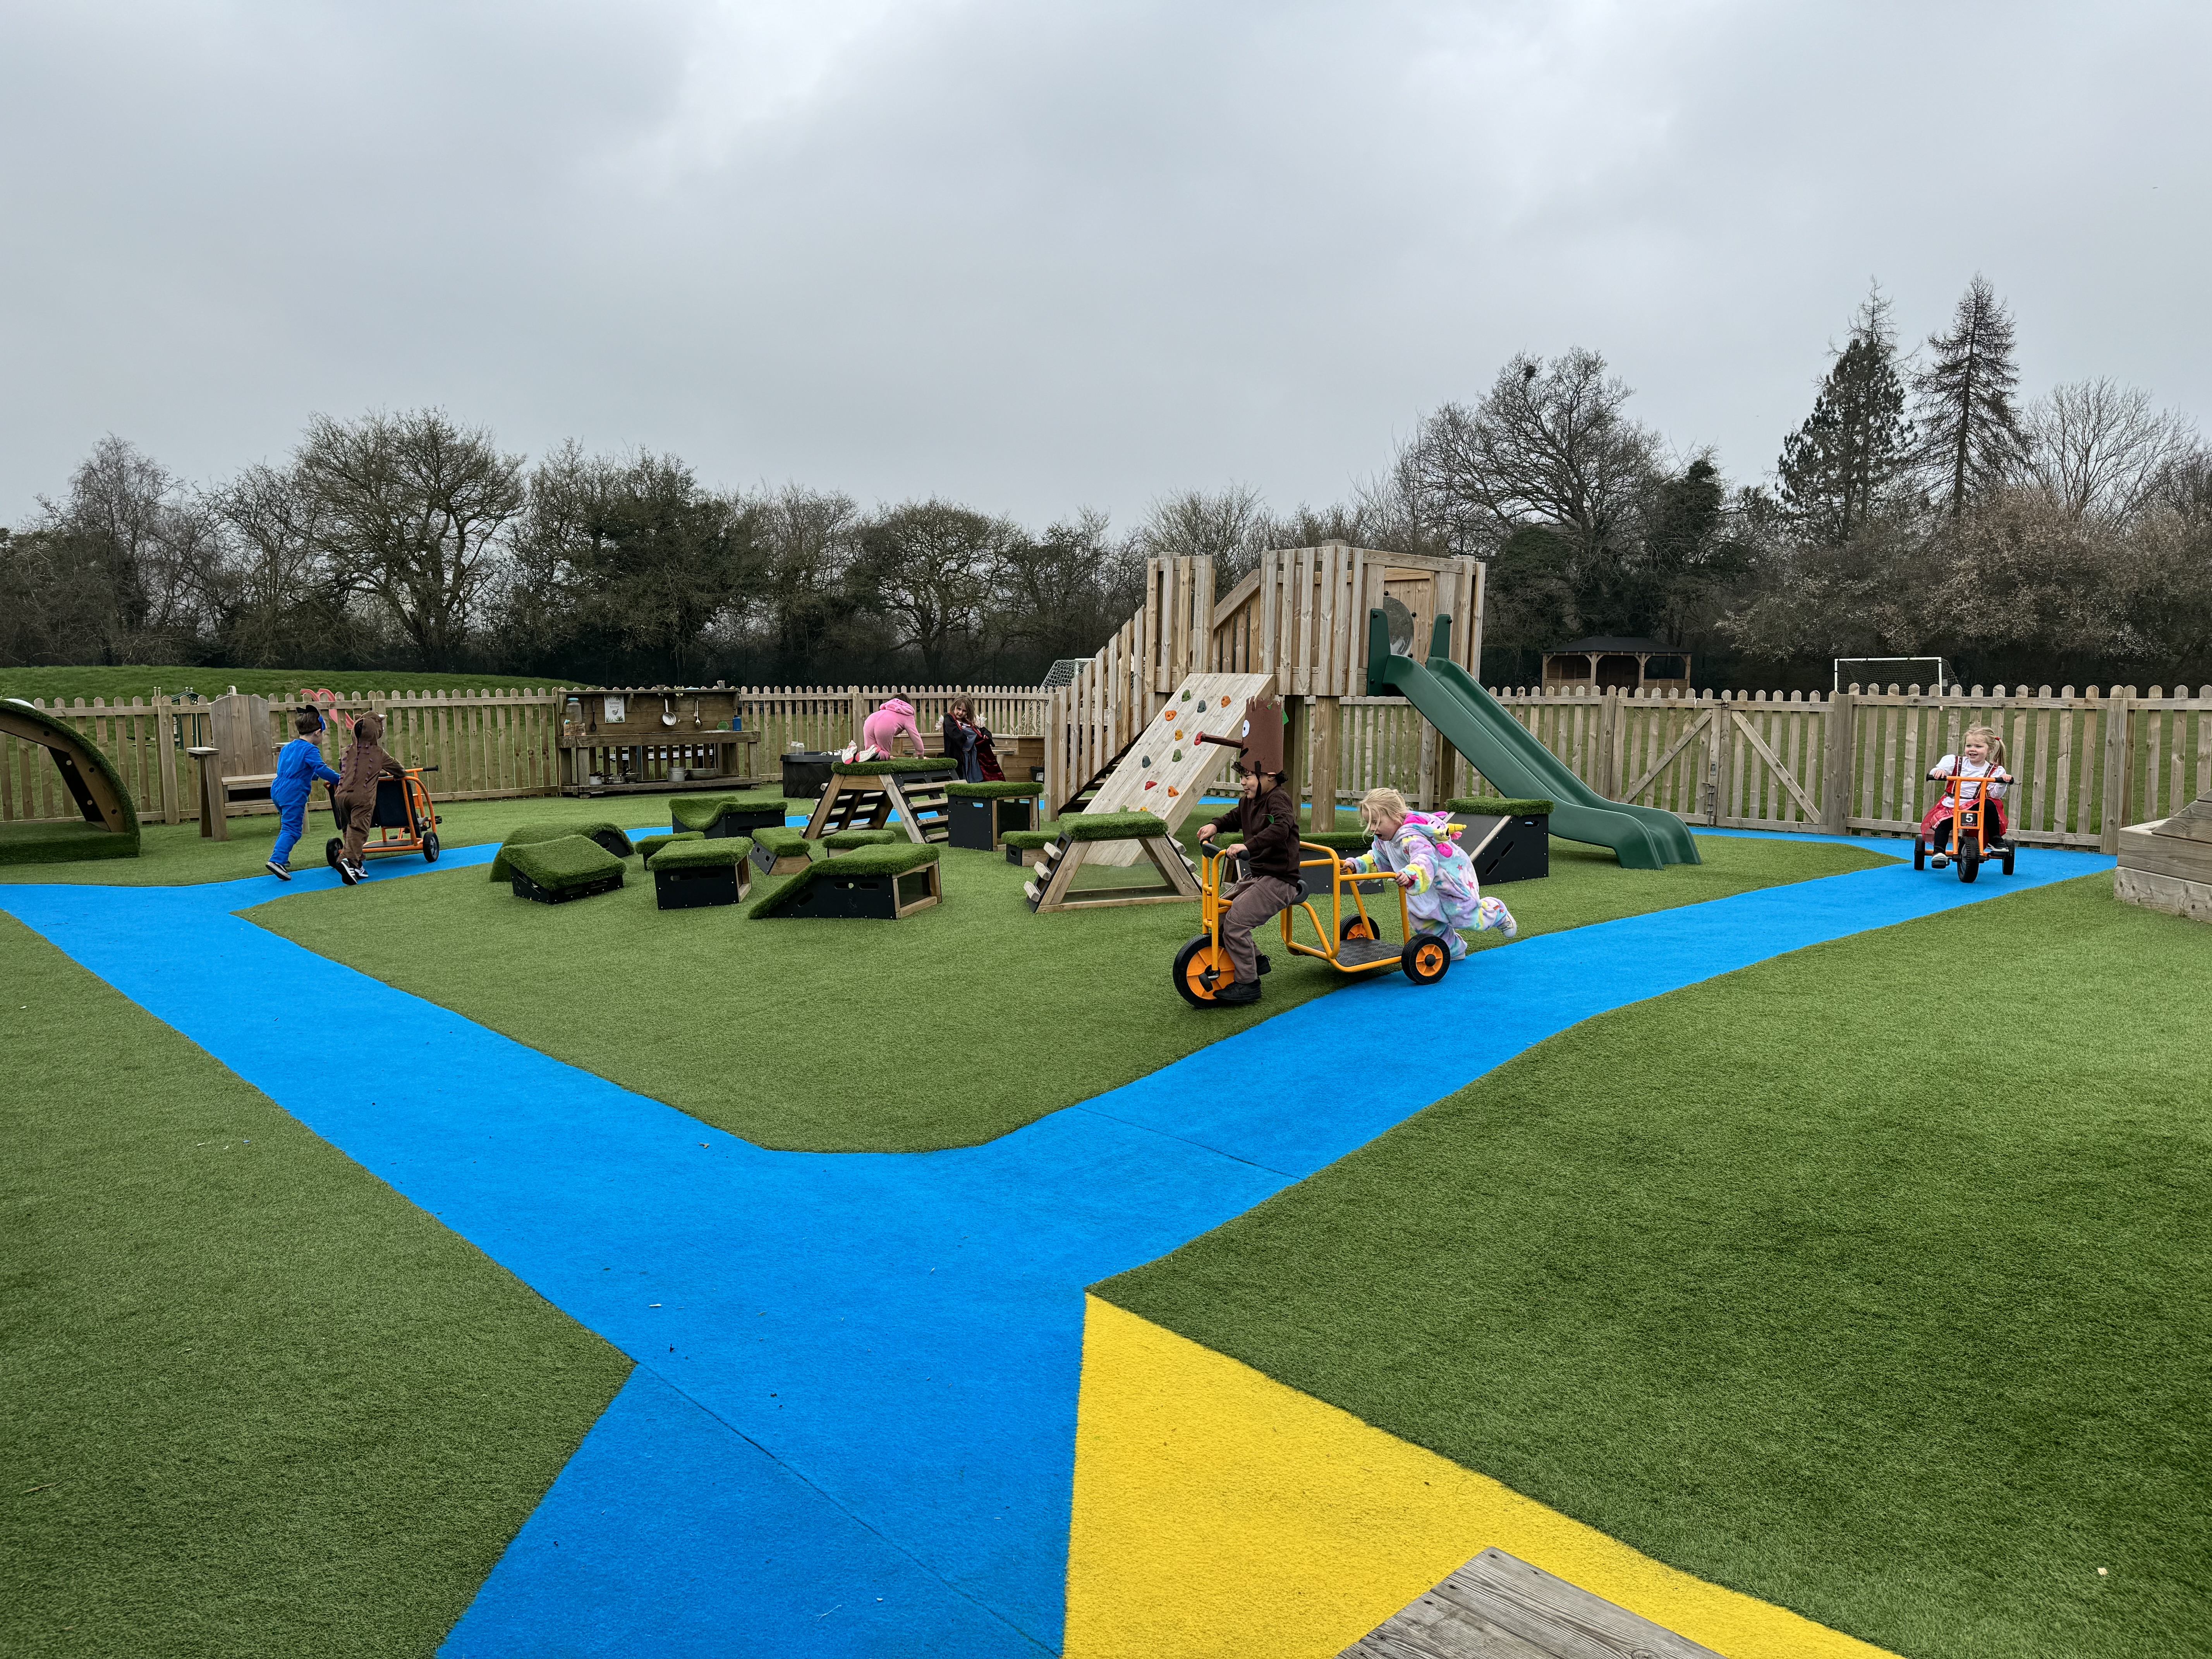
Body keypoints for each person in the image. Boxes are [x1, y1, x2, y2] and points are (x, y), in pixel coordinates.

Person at [1192, 697, 1301, 1006]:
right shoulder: (1250, 801)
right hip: (1259, 875)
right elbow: (1235, 817)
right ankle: (1257, 960)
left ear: (1268, 776)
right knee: (1221, 911)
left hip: (1281, 879)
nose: (1243, 784)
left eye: (1248, 777)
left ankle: (1249, 984)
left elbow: (1281, 829)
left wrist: (1247, 845)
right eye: (1241, 778)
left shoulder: (1278, 800)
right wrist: (1216, 826)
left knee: (1238, 920)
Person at [1340, 787, 1515, 958]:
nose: (1372, 828)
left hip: (1448, 879)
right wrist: (1357, 866)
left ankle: (1496, 911)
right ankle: (1451, 949)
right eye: (1369, 823)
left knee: (1466, 916)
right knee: (1424, 921)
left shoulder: (1413, 838)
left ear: (1396, 816)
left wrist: (1411, 875)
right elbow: (1378, 860)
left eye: (1377, 822)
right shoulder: (1384, 840)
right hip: (1424, 886)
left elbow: (1425, 859)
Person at [1920, 725, 2011, 868]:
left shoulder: (1995, 770)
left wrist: (2003, 782)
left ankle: (1995, 839)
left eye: (1978, 746)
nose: (1972, 749)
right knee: (1943, 824)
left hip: (1977, 806)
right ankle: (1939, 852)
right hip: (1952, 804)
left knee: (1990, 804)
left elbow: (1996, 795)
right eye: (1969, 745)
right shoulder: (1956, 762)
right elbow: (1939, 769)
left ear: (1990, 750)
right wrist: (1939, 771)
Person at [266, 708, 341, 880]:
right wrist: (340, 780)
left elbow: (296, 768)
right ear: (317, 732)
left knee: (288, 825)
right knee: (292, 829)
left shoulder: (289, 747)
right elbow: (320, 769)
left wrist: (312, 777)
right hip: (294, 792)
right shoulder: (311, 750)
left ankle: (281, 858)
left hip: (278, 788)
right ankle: (277, 860)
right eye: (323, 734)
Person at [332, 711, 405, 886]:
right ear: (375, 732)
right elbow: (399, 770)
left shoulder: (345, 751)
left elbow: (342, 767)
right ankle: (347, 859)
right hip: (362, 797)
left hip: (341, 795)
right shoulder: (378, 753)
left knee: (348, 829)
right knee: (359, 829)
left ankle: (356, 864)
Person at [860, 696, 926, 759]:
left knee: (870, 750)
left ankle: (861, 754)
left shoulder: (884, 710)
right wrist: (921, 755)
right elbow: (915, 736)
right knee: (884, 752)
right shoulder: (907, 714)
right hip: (885, 725)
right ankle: (879, 755)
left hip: (870, 721)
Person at [942, 699, 983, 782]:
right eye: (959, 709)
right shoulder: (949, 719)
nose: (960, 713)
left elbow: (979, 733)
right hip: (957, 756)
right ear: (954, 707)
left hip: (971, 757)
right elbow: (955, 734)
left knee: (973, 781)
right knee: (959, 780)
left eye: (964, 711)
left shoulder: (968, 723)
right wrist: (965, 736)